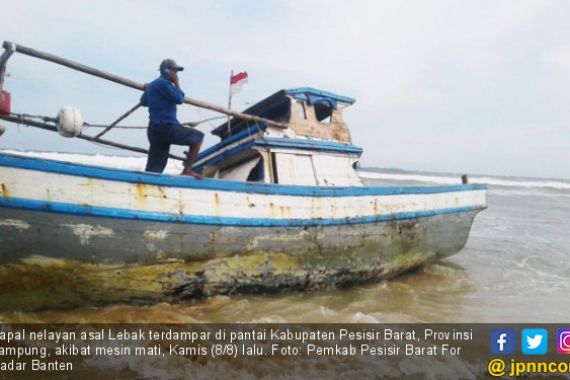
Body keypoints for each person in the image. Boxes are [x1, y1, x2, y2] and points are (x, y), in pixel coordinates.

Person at [140, 59, 204, 178]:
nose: (176, 74)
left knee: (155, 167)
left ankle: (147, 182)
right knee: (197, 137)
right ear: (166, 71)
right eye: (175, 71)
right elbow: (179, 99)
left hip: (154, 129)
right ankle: (187, 170)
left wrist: (148, 89)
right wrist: (177, 82)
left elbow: (143, 102)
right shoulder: (164, 84)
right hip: (166, 128)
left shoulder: (153, 85)